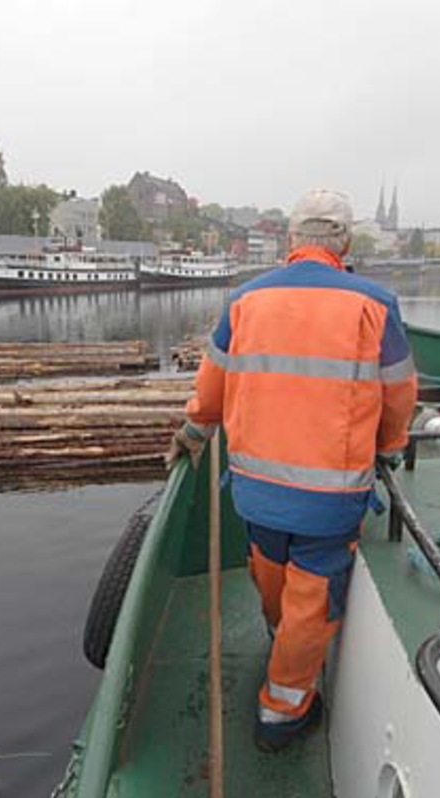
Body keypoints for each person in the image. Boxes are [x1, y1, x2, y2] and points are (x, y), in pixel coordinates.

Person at [166, 189, 417, 753]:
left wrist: (192, 432)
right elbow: (399, 392)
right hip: (329, 498)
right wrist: (391, 444)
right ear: (345, 244)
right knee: (311, 601)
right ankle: (282, 713)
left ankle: (282, 645)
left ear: (290, 242)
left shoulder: (244, 301)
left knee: (271, 578)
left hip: (255, 492)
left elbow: (212, 385)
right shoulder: (375, 304)